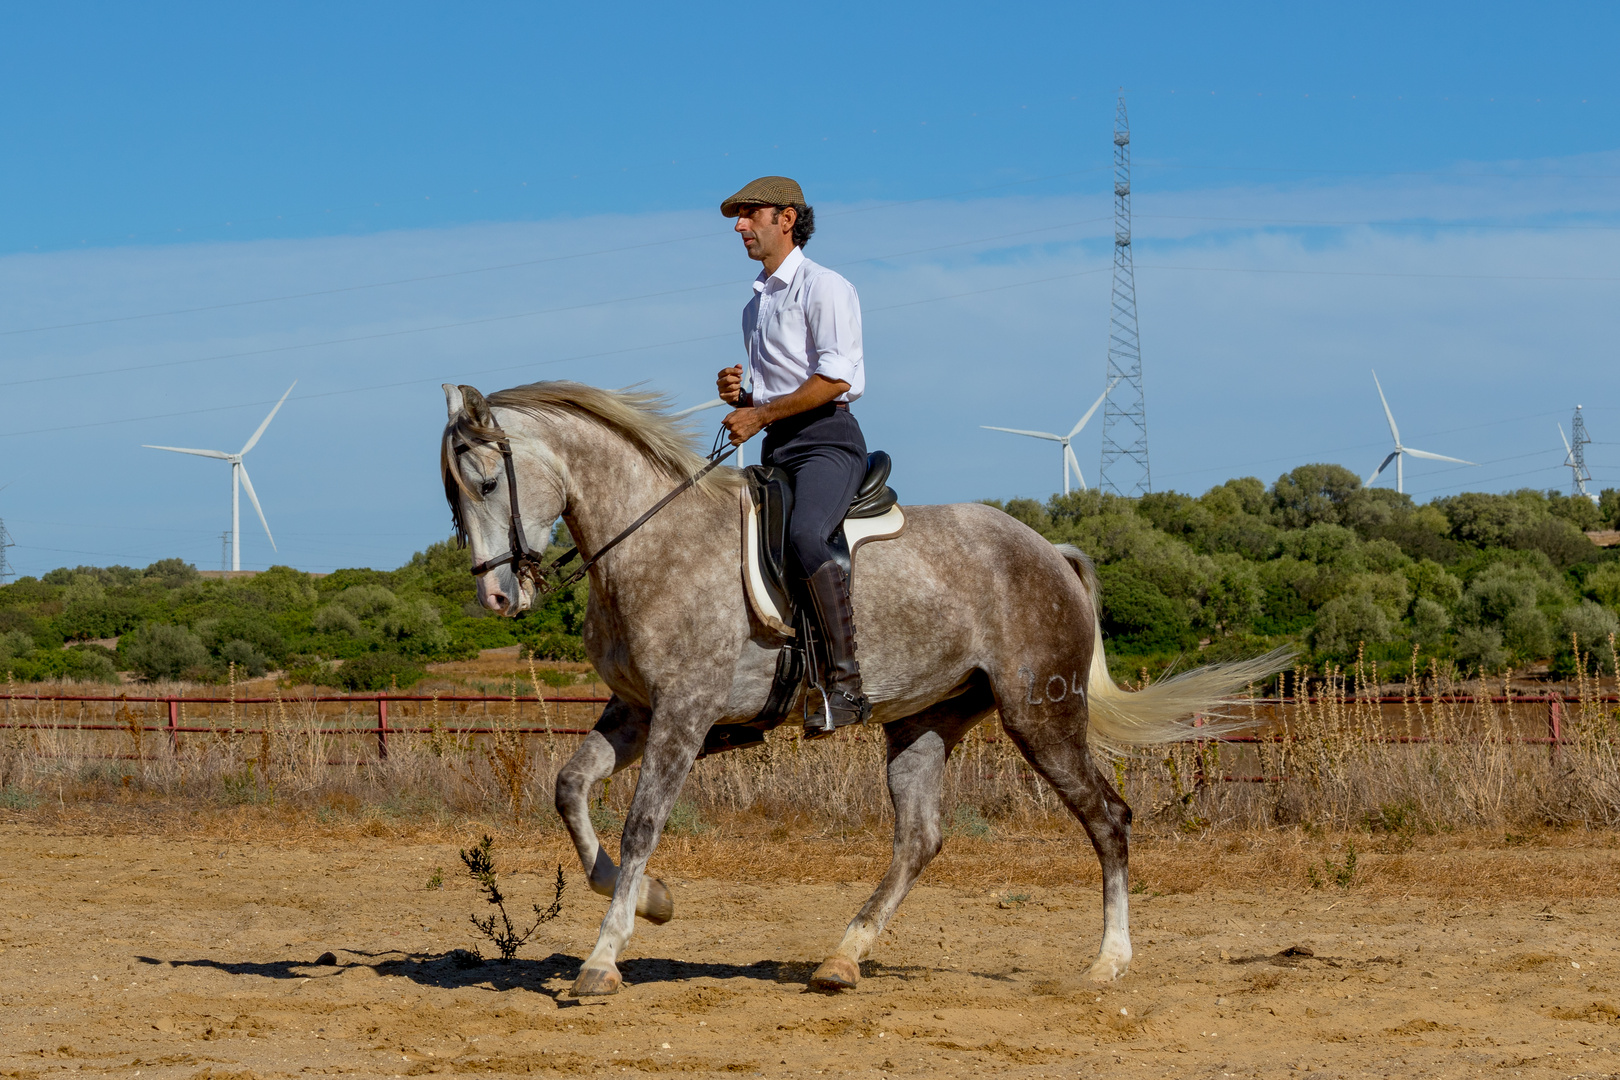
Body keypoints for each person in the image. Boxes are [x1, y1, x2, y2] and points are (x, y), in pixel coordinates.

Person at [715, 176, 872, 736]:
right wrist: (742, 395)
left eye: (748, 214)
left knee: (807, 536)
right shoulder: (753, 306)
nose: (739, 226)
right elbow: (770, 394)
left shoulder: (826, 287)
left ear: (786, 218)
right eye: (738, 217)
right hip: (779, 445)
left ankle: (846, 685)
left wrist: (758, 413)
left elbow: (834, 380)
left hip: (827, 441)